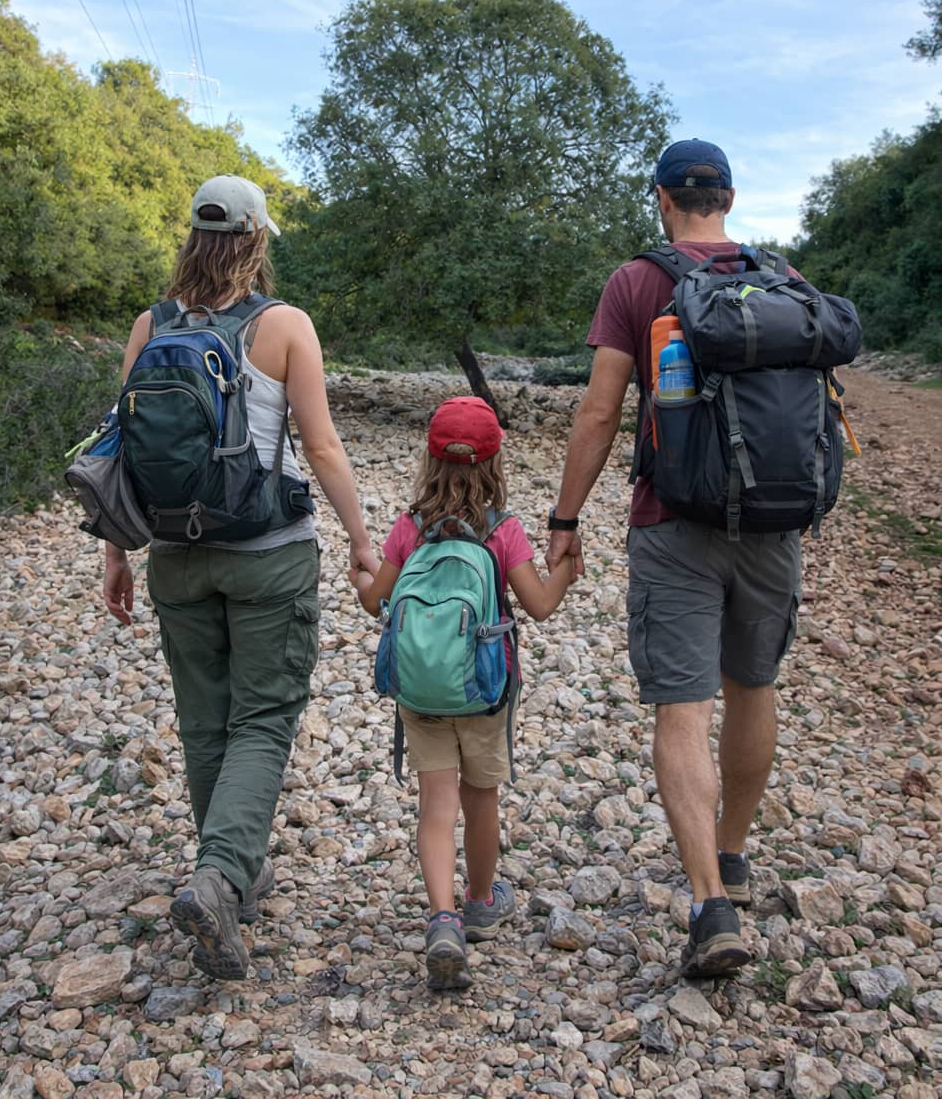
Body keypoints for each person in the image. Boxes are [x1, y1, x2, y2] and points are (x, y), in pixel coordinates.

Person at [102, 175, 379, 979]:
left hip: (175, 553)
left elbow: (119, 445)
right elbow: (321, 447)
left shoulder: (150, 324)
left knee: (204, 719)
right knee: (262, 718)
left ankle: (230, 869)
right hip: (269, 550)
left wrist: (116, 552)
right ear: (257, 239)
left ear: (192, 235)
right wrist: (361, 539)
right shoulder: (284, 324)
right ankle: (221, 876)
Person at [546, 139, 803, 978]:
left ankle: (710, 907)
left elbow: (598, 413)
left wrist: (565, 516)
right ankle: (730, 852)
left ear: (662, 198)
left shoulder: (638, 281)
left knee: (682, 709)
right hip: (771, 520)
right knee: (753, 686)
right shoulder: (782, 279)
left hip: (671, 519)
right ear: (728, 196)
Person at [354, 395, 576, 991]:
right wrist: (568, 571)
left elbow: (376, 600)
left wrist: (361, 576)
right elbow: (541, 605)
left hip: (420, 692)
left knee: (436, 804)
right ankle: (479, 900)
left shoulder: (410, 526)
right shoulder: (502, 530)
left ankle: (442, 917)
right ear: (495, 461)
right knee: (481, 798)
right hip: (484, 690)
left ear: (429, 458)